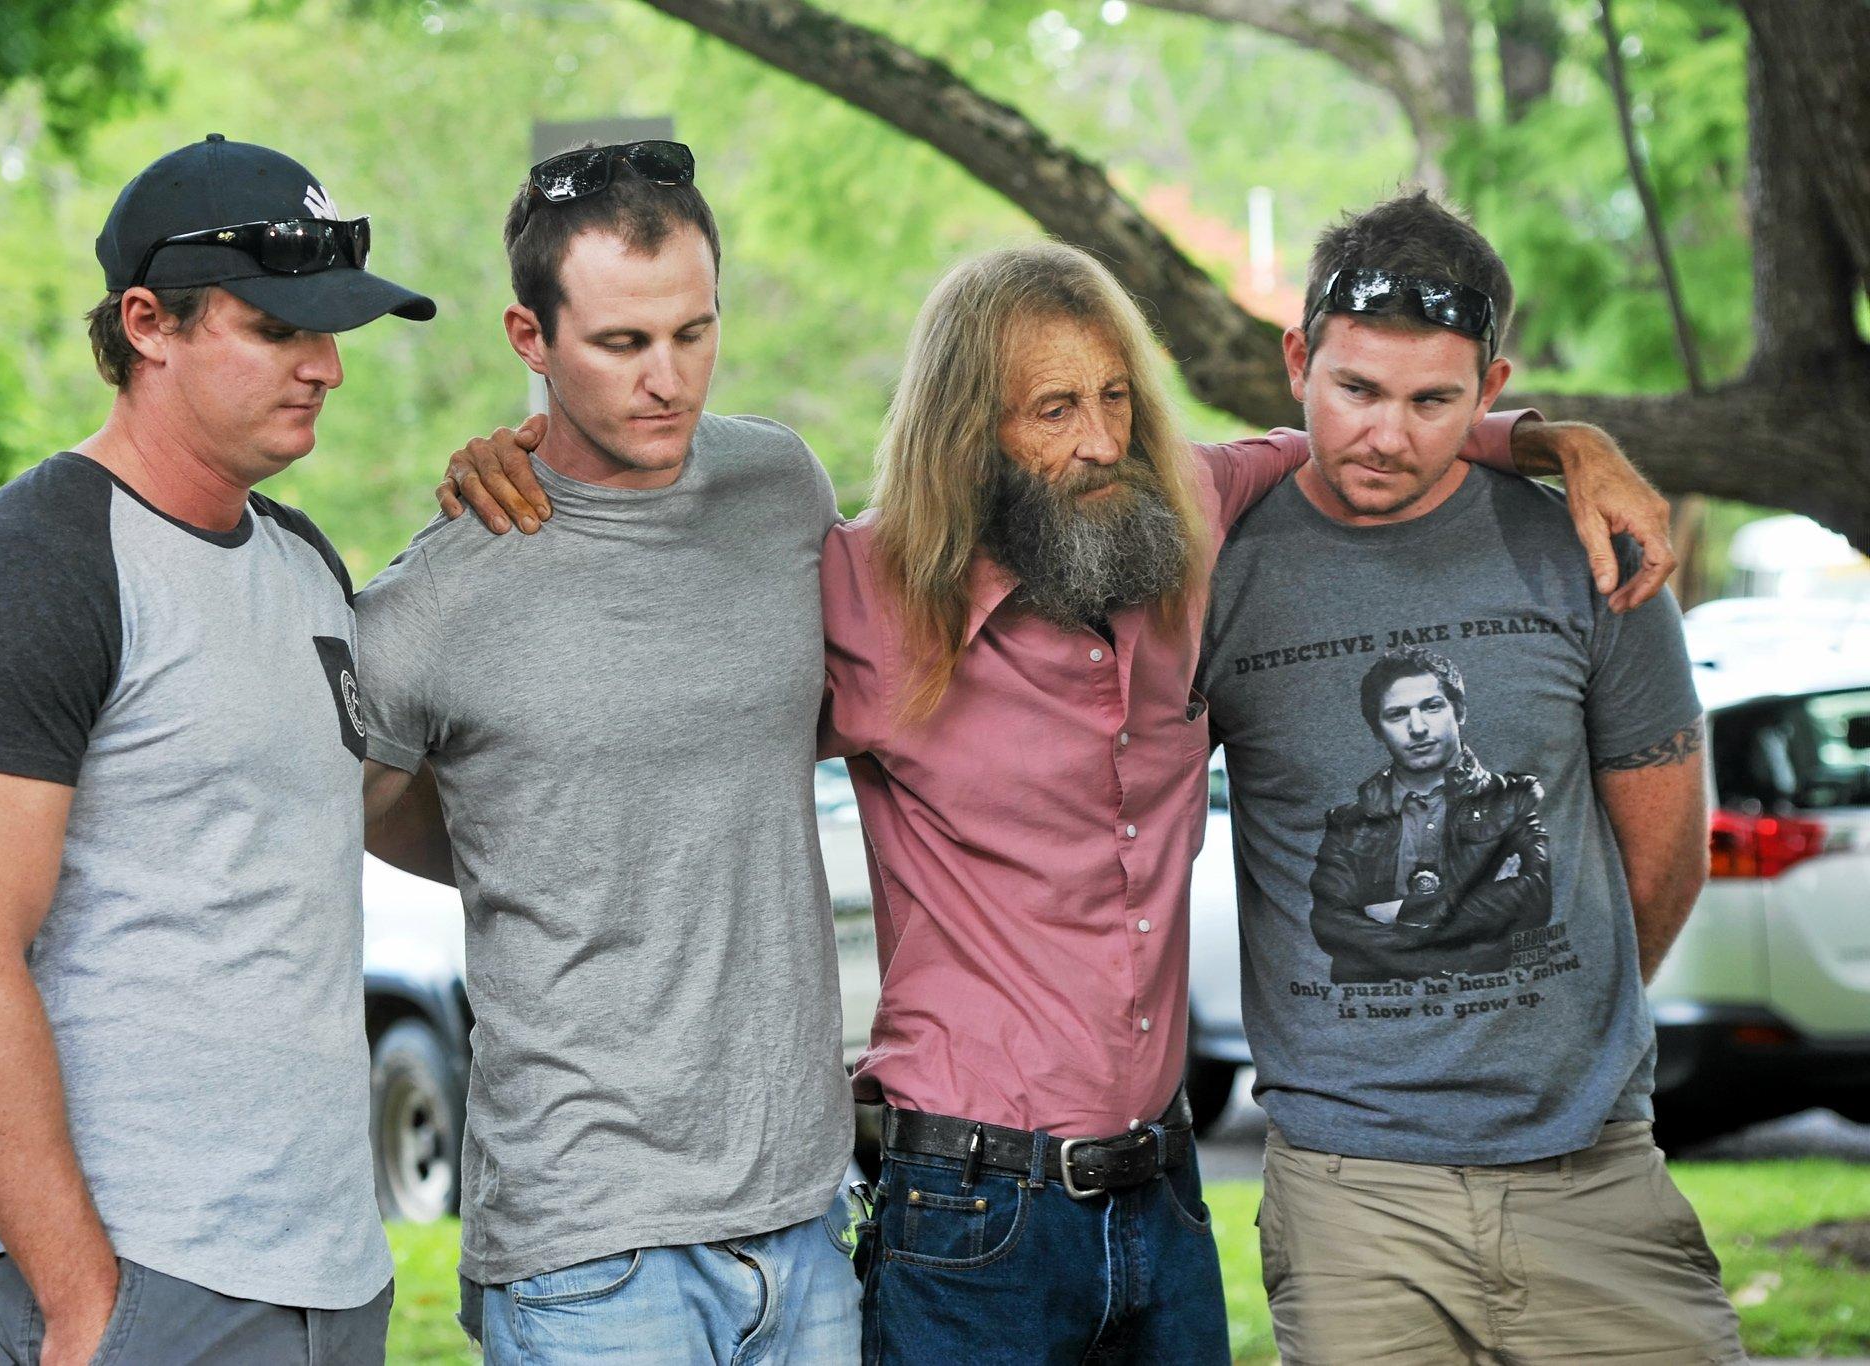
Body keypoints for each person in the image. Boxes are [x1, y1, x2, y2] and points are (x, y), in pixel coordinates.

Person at [438, 242, 1673, 1366]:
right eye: (1051, 410)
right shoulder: (857, 592)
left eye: (1113, 399)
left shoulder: (1177, 515)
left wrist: (1557, 441)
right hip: (967, 1210)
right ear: (970, 431)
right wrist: (529, 453)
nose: (1096, 442)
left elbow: (1357, 437)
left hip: (1168, 1194)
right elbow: (654, 622)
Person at [0, 135, 433, 1366]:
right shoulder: (27, 570)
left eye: (332, 331)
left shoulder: (301, 562)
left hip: (331, 1269)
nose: (327, 366)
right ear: (149, 322)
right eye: (279, 328)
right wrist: (84, 1305)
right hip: (150, 1278)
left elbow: (359, 815)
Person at [1200, 190, 1743, 1363]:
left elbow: (1662, 852)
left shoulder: (1584, 553)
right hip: (1352, 1193)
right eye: (1353, 390)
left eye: (1432, 400)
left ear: (1491, 392)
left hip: (1590, 1169)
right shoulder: (1222, 572)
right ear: (1296, 360)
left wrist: (1554, 1025)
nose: (1386, 434)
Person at [354, 141, 861, 1364]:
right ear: (529, 338)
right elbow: (355, 807)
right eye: (621, 345)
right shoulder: (441, 590)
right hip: (588, 1240)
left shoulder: (778, 486)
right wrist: (523, 848)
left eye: (693, 332)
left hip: (802, 1210)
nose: (668, 379)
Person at [1308, 645, 1553, 982]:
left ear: (1460, 712)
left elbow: (1533, 898)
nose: (1418, 727)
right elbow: (1330, 925)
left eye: (1432, 707)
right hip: (1377, 1011)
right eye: (1397, 714)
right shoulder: (1349, 822)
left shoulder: (1511, 800)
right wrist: (1463, 942)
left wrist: (1403, 913)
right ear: (1377, 730)